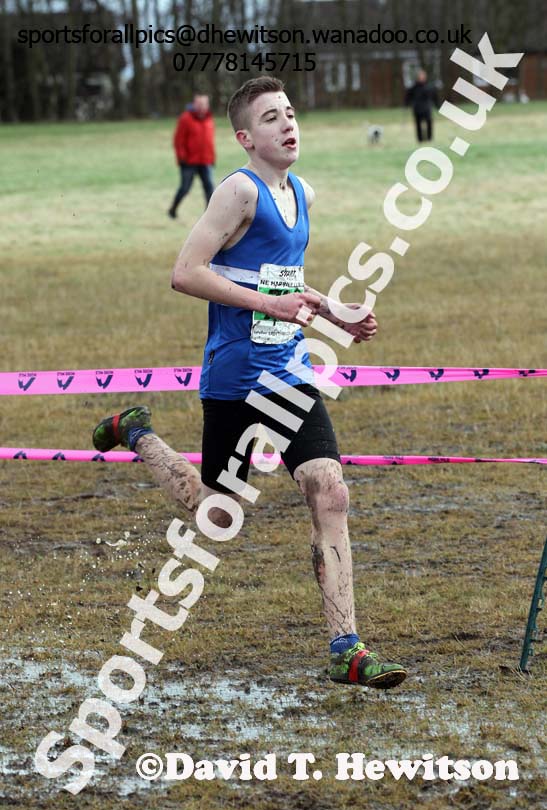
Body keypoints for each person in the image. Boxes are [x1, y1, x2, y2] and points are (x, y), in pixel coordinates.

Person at [94, 77, 407, 690]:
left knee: (329, 489)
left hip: (289, 373)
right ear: (245, 137)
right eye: (271, 118)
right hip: (235, 379)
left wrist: (333, 311)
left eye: (290, 113)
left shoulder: (302, 193)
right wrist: (272, 300)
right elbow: (186, 274)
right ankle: (139, 433)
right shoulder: (238, 190)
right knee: (215, 511)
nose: (288, 124)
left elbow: (285, 278)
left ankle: (346, 646)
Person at [168, 93, 215, 218]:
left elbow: (210, 141)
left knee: (210, 189)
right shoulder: (185, 118)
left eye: (205, 104)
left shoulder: (209, 118)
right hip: (189, 162)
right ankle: (173, 209)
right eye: (199, 104)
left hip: (206, 161)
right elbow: (178, 141)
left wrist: (212, 158)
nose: (202, 107)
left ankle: (209, 215)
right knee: (185, 188)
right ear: (194, 104)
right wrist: (182, 158)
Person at [405, 69, 439, 142]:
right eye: (420, 76)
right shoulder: (414, 87)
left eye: (423, 76)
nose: (421, 77)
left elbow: (434, 96)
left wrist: (437, 105)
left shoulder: (429, 86)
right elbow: (408, 97)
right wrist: (406, 104)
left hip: (426, 108)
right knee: (418, 124)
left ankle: (429, 138)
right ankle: (420, 139)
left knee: (429, 122)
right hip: (417, 108)